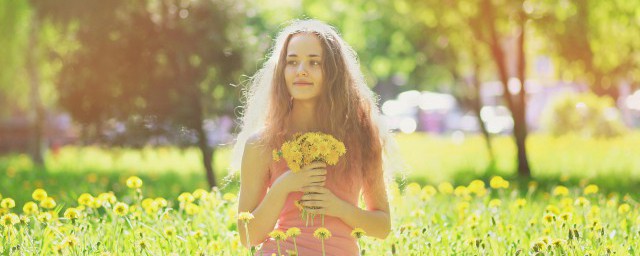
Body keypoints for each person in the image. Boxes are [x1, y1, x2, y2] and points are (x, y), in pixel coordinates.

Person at [231, 19, 400, 255]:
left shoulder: (362, 138)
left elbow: (382, 227)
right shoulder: (261, 144)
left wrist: (338, 208)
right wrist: (284, 185)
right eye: (292, 62)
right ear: (282, 71)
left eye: (314, 62)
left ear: (333, 72)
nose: (301, 70)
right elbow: (247, 236)